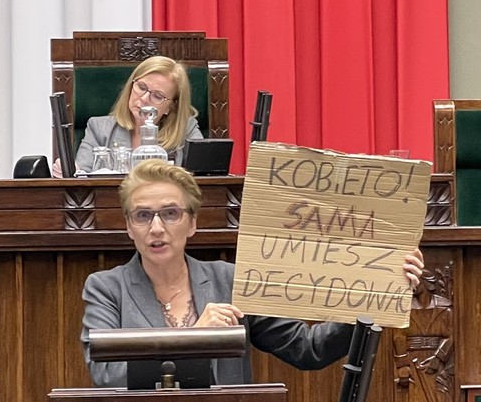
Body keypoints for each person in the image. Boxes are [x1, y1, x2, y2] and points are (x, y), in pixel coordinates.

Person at [80, 159, 426, 387]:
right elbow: (107, 374)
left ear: (192, 223)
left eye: (171, 213)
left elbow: (308, 349)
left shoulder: (228, 281)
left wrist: (378, 290)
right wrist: (196, 336)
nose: (157, 228)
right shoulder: (106, 288)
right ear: (129, 227)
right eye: (143, 215)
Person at [52, 56, 202, 176]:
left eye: (157, 96)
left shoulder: (186, 130)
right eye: (141, 87)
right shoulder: (99, 128)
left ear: (171, 107)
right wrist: (71, 171)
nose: (144, 98)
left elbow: (204, 179)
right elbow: (81, 178)